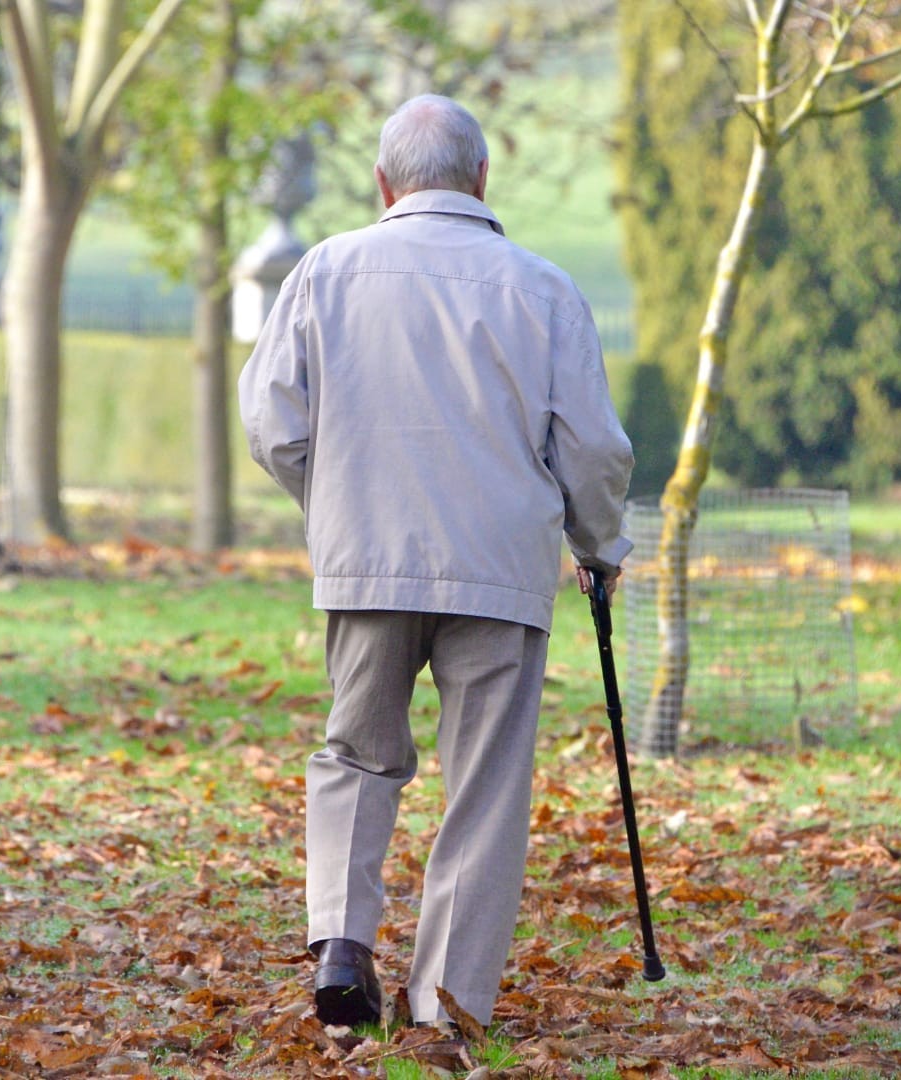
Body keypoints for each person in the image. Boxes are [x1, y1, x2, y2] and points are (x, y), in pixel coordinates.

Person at [237, 94, 635, 1030]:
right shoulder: (543, 288)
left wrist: (334, 500)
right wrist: (599, 546)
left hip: (365, 557)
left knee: (355, 755)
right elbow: (594, 448)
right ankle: (446, 1006)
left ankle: (341, 943)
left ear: (384, 183)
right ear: (482, 179)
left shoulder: (324, 271)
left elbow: (271, 424)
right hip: (500, 570)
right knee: (485, 786)